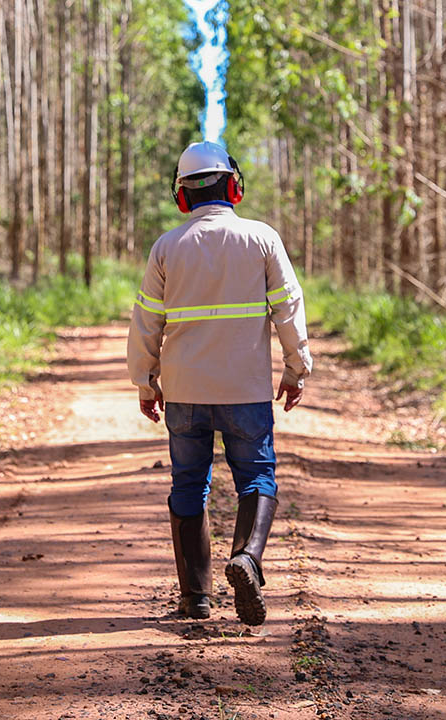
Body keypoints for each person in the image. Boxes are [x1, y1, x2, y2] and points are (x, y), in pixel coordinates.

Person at [126, 141, 313, 626]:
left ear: (182, 195)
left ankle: (196, 599)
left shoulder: (167, 247)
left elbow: (146, 322)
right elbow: (289, 309)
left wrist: (146, 382)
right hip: (246, 390)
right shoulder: (262, 239)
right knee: (257, 476)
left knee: (189, 484)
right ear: (233, 186)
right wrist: (296, 368)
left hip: (186, 393)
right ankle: (247, 558)